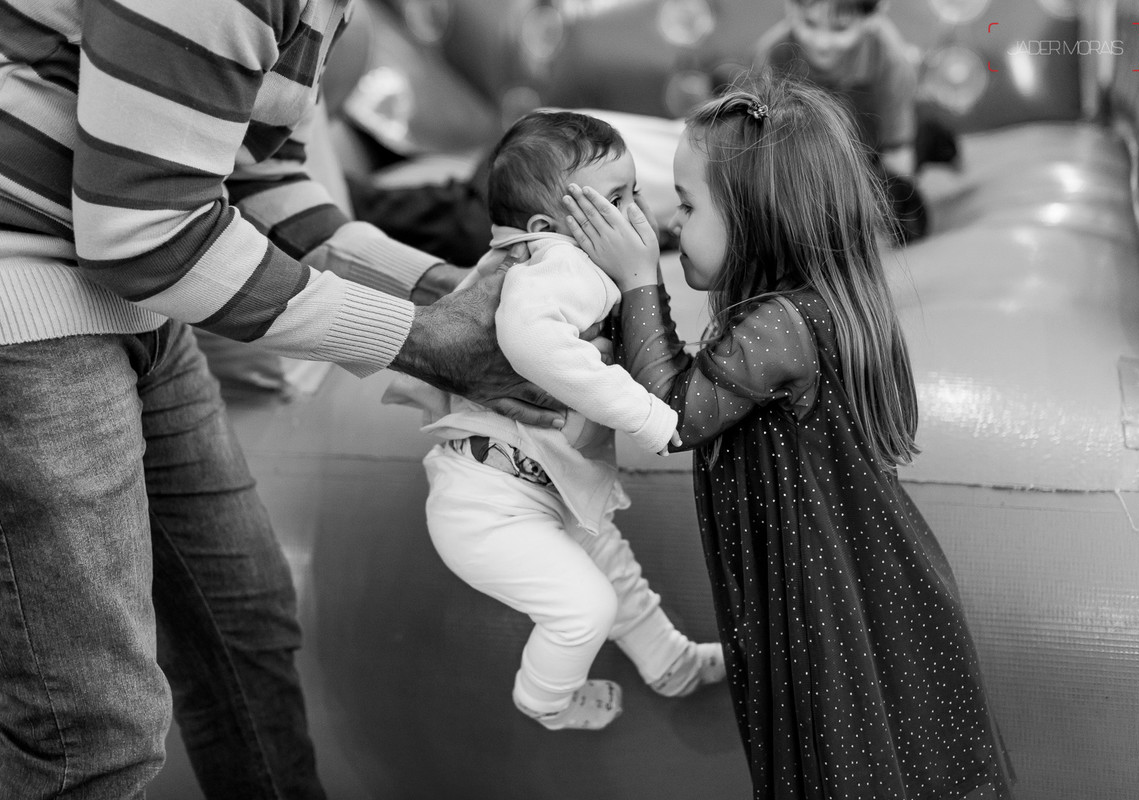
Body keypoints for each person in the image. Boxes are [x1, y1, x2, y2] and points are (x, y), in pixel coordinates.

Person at [0, 2, 562, 797]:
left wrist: (447, 295)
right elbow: (148, 234)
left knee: (243, 621)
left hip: (129, 289)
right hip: (12, 302)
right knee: (93, 727)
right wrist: (422, 339)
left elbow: (251, 174)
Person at [562, 71, 1014, 797]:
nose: (675, 223)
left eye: (687, 204)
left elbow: (674, 415)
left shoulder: (786, 324)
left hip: (837, 605)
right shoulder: (786, 312)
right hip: (820, 592)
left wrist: (640, 276)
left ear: (758, 219)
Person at [384, 110, 725, 732]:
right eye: (615, 200)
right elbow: (529, 342)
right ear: (547, 226)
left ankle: (670, 662)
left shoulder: (537, 261)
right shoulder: (558, 264)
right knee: (586, 606)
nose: (636, 214)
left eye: (634, 194)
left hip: (531, 490)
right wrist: (652, 416)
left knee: (614, 570)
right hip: (487, 507)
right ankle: (544, 700)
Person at [748, 0, 930, 244]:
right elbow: (762, 143)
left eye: (840, 29)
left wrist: (888, 205)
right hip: (807, 157)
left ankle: (934, 143)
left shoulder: (887, 56)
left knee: (906, 216)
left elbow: (897, 149)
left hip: (871, 152)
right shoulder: (775, 54)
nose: (821, 41)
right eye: (809, 23)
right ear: (790, 9)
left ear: (871, 20)